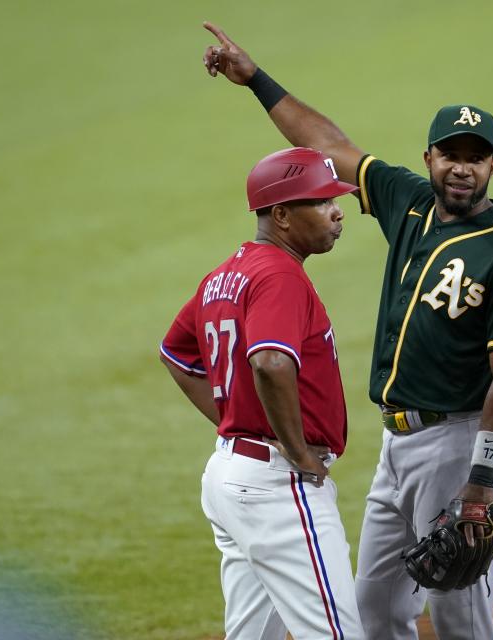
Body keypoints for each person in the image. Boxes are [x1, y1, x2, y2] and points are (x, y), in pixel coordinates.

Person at [200, 22, 493, 640]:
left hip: (457, 445)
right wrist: (255, 79)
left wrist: (481, 481)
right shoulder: (409, 203)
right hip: (397, 447)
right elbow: (329, 145)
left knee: (459, 616)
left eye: (474, 158)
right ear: (429, 159)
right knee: (377, 613)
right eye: (450, 155)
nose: (461, 169)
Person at [159, 147, 365, 640]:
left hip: (231, 475)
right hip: (276, 485)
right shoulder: (279, 276)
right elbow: (270, 362)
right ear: (282, 215)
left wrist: (237, 419)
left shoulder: (225, 275)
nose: (338, 212)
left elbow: (177, 355)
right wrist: (297, 451)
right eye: (321, 202)